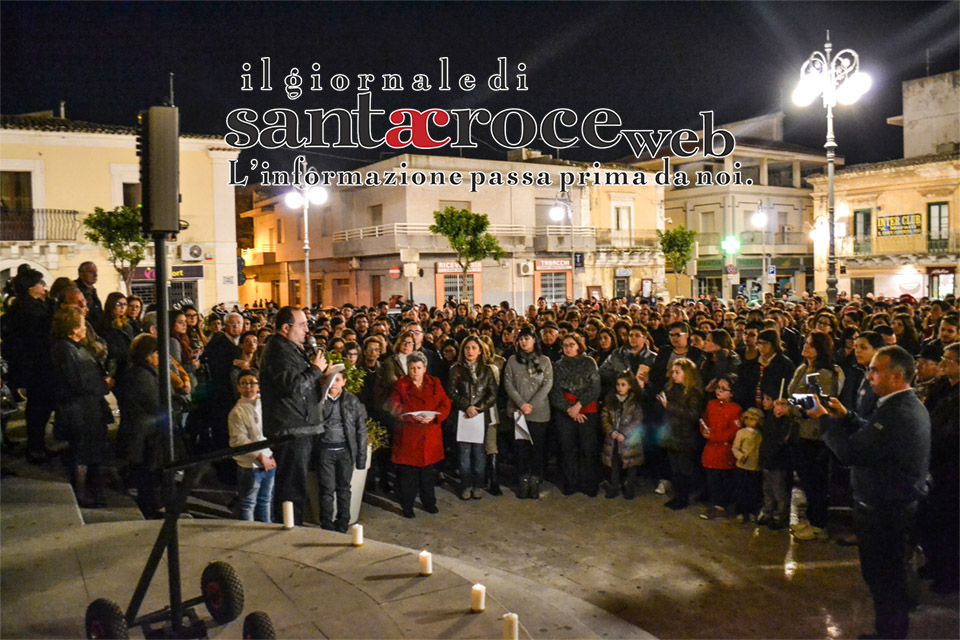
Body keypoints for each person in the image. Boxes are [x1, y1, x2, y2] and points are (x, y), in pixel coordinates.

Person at [810, 345, 930, 640]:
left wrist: (823, 419)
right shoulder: (897, 405)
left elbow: (852, 452)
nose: (869, 375)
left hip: (885, 509)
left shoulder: (898, 412)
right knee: (887, 577)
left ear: (897, 376)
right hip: (889, 503)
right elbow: (875, 438)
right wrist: (847, 417)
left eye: (876, 370)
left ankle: (890, 634)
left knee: (885, 580)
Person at [259, 306, 327, 526]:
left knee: (297, 485)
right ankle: (289, 529)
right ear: (286, 328)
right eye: (302, 325)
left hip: (300, 426)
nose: (307, 330)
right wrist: (315, 370)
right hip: (290, 429)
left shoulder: (290, 348)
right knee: (291, 487)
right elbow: (292, 386)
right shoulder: (278, 351)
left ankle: (294, 524)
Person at [781, 331, 844, 541]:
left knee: (816, 481)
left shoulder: (824, 374)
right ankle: (810, 519)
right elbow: (795, 396)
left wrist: (789, 408)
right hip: (799, 431)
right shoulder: (802, 368)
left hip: (814, 433)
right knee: (807, 481)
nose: (806, 347)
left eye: (811, 345)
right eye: (805, 342)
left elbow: (817, 403)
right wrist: (787, 403)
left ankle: (819, 525)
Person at [50, 307, 111, 507]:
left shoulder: (75, 347)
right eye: (83, 324)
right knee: (81, 452)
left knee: (89, 450)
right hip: (79, 409)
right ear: (73, 327)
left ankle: (90, 489)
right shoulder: (65, 349)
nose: (85, 328)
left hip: (88, 407)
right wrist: (103, 384)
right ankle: (81, 492)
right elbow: (76, 381)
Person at [916, 341, 959, 594]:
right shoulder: (942, 388)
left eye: (949, 360)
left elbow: (951, 434)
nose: (942, 364)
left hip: (951, 467)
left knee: (949, 523)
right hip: (933, 463)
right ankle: (935, 562)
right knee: (930, 519)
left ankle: (951, 574)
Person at [388, 351, 451, 518]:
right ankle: (407, 505)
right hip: (409, 437)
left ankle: (429, 502)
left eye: (418, 367)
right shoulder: (401, 385)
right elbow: (393, 406)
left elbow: (445, 403)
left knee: (428, 476)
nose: (415, 371)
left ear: (425, 368)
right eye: (412, 368)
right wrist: (410, 416)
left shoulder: (435, 383)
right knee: (409, 477)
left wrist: (435, 417)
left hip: (430, 436)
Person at [3, 267, 54, 462]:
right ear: (32, 287)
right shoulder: (29, 308)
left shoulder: (31, 305)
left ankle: (38, 443)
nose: (43, 286)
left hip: (35, 364)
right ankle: (35, 446)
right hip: (36, 365)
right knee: (38, 406)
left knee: (39, 406)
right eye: (41, 283)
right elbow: (38, 335)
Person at [116, 334, 164, 518]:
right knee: (148, 473)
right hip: (144, 434)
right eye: (157, 352)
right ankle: (151, 508)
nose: (160, 356)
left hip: (144, 432)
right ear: (147, 354)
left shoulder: (143, 372)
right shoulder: (141, 375)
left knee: (148, 472)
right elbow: (154, 403)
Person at [316, 366, 368, 532]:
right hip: (325, 451)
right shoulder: (319, 400)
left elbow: (360, 429)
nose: (333, 384)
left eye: (337, 380)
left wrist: (361, 458)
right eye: (331, 380)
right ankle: (326, 522)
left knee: (344, 488)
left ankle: (343, 521)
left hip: (345, 451)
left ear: (344, 382)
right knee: (326, 488)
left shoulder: (352, 401)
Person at [549, 333, 602, 496]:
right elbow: (555, 391)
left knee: (588, 448)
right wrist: (569, 409)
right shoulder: (558, 365)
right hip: (566, 411)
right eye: (565, 345)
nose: (568, 348)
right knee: (567, 448)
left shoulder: (589, 362)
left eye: (571, 344)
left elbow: (595, 388)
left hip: (586, 409)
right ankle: (571, 483)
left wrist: (579, 406)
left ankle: (589, 483)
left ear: (579, 345)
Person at [446, 336, 498, 500]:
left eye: (474, 348)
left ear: (480, 350)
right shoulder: (456, 369)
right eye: (467, 348)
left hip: (480, 417)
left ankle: (478, 485)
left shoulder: (487, 370)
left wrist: (479, 408)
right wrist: (466, 406)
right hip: (462, 415)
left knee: (479, 453)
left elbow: (492, 393)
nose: (470, 351)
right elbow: (451, 392)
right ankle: (466, 485)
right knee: (464, 454)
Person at [504, 326, 553, 499]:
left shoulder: (545, 361)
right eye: (521, 339)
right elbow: (508, 383)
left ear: (534, 340)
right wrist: (521, 404)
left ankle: (535, 479)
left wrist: (531, 405)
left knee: (537, 448)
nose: (523, 342)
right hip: (519, 412)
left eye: (527, 338)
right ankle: (523, 480)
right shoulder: (511, 360)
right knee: (521, 448)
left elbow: (547, 385)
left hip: (539, 412)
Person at [228, 372, 276, 523]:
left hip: (270, 460)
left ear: (259, 386)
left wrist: (273, 454)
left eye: (252, 383)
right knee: (248, 503)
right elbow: (239, 439)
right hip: (250, 464)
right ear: (238, 387)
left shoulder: (267, 405)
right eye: (244, 383)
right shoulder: (237, 411)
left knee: (266, 500)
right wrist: (260, 457)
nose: (248, 387)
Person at [657, 358, 704, 510]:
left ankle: (683, 497)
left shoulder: (692, 393)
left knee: (684, 469)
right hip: (671, 434)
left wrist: (668, 406)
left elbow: (693, 414)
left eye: (678, 372)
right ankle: (677, 496)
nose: (674, 375)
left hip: (685, 436)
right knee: (675, 468)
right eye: (673, 372)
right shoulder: (670, 387)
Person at [698, 374, 742, 520]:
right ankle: (715, 503)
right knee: (711, 478)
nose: (719, 391)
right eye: (718, 388)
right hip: (710, 449)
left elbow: (733, 432)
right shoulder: (711, 404)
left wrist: (715, 437)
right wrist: (704, 430)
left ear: (732, 393)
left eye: (724, 389)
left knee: (721, 480)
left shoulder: (735, 409)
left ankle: (720, 507)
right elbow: (704, 419)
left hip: (724, 451)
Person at [600, 372, 645, 499]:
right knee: (614, 464)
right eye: (618, 384)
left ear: (630, 386)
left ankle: (629, 487)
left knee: (631, 464)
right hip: (613, 439)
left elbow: (637, 420)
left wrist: (625, 433)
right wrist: (611, 431)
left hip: (629, 440)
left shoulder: (634, 402)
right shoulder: (611, 400)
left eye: (623, 385)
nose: (620, 388)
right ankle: (614, 487)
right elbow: (604, 417)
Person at [731, 407, 763, 523]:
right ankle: (740, 511)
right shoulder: (741, 433)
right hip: (743, 466)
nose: (749, 421)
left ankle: (751, 511)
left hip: (755, 467)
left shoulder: (759, 434)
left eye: (753, 419)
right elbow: (735, 448)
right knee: (741, 489)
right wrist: (740, 456)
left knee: (753, 490)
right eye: (747, 419)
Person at [74, 261, 103, 328]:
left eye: (96, 271)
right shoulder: (75, 291)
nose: (95, 275)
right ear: (81, 275)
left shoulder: (92, 290)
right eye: (91, 272)